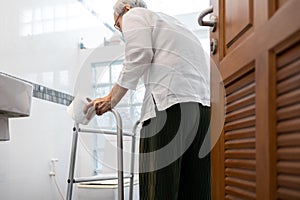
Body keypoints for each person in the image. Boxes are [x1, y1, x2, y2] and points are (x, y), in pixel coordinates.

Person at [84, 0, 211, 199]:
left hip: (169, 106)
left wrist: (111, 99)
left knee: (157, 188)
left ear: (126, 8)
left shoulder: (135, 15)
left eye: (118, 25)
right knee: (196, 188)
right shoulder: (176, 26)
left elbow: (139, 53)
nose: (121, 31)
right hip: (202, 108)